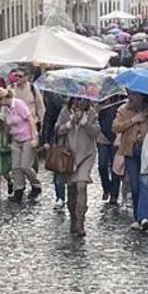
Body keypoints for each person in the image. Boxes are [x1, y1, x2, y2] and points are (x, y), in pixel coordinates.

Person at [113, 92, 148, 231]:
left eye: (135, 94)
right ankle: (138, 217)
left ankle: (145, 217)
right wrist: (134, 120)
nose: (131, 97)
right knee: (135, 186)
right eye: (130, 94)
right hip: (130, 151)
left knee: (145, 183)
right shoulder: (123, 109)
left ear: (142, 96)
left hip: (147, 152)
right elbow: (115, 127)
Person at [55, 98, 101, 236]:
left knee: (81, 185)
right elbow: (57, 129)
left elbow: (96, 132)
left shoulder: (92, 113)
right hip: (69, 156)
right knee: (71, 188)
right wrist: (70, 123)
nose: (80, 102)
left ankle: (81, 221)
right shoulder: (65, 111)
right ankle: (73, 219)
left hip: (86, 155)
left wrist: (85, 123)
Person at [0, 88, 42, 202]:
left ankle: (36, 185)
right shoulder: (6, 109)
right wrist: (5, 140)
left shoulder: (19, 104)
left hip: (27, 138)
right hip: (16, 139)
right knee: (15, 167)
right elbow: (7, 125)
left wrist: (34, 137)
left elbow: (30, 119)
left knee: (25, 165)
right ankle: (18, 190)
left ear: (4, 98)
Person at [41, 90, 68, 210]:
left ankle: (73, 198)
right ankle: (60, 197)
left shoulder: (83, 101)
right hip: (59, 139)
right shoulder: (54, 99)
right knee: (59, 168)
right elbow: (49, 119)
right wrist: (46, 139)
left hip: (78, 141)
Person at [97, 96, 124, 205]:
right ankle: (106, 187)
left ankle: (114, 194)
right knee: (102, 165)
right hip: (103, 138)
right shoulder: (101, 104)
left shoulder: (121, 103)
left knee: (115, 166)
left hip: (116, 138)